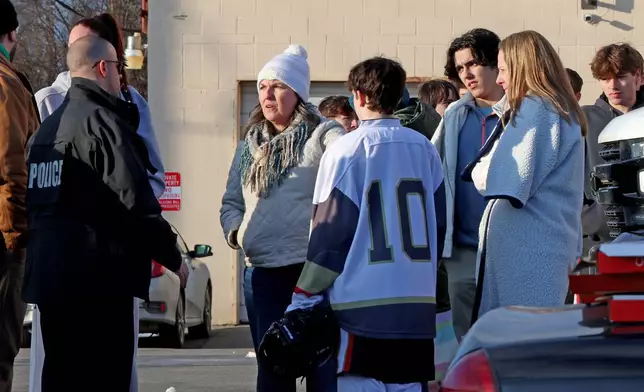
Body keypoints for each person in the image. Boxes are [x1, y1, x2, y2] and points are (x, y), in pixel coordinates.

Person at [23, 36, 182, 392]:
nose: (120, 78)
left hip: (51, 285)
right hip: (98, 286)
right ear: (103, 68)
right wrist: (174, 258)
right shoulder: (103, 123)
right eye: (118, 68)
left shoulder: (45, 132)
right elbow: (137, 202)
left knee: (60, 377)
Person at [286, 56, 446, 391]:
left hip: (361, 307)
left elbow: (331, 231)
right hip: (415, 304)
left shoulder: (347, 150)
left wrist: (304, 295)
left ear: (358, 96)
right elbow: (439, 224)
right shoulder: (425, 149)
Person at [219, 44, 345, 392]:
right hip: (261, 272)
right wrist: (239, 233)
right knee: (273, 370)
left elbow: (351, 159)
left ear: (298, 93)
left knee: (321, 368)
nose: (268, 94)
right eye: (262, 86)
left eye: (278, 86)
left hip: (311, 273)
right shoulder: (249, 144)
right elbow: (231, 201)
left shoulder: (322, 135)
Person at [462, 30, 586, 322]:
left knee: (523, 343)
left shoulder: (537, 108)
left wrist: (484, 166)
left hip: (529, 257)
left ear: (522, 68)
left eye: (503, 70)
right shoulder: (550, 108)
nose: (500, 79)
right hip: (538, 251)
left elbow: (498, 178)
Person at [430, 28, 505, 341]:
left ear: (495, 62)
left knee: (506, 335)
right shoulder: (454, 116)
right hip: (461, 249)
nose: (466, 73)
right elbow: (432, 169)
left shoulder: (521, 114)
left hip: (506, 246)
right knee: (466, 340)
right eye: (459, 68)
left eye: (473, 63)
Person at [0, 2, 40, 391]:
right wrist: (19, 236)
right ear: (11, 35)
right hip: (3, 236)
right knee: (1, 347)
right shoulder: (6, 85)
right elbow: (13, 164)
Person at [582, 43, 643, 257]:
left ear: (639, 77)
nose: (613, 85)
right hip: (596, 243)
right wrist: (591, 219)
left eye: (620, 76)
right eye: (605, 78)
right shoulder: (583, 120)